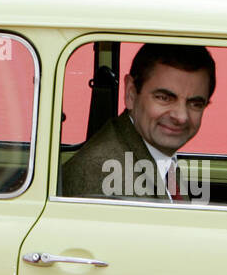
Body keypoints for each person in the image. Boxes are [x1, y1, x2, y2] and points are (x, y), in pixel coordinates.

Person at [61, 43, 215, 200]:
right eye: (164, 98)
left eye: (195, 104)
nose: (181, 116)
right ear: (131, 94)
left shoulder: (159, 155)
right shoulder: (99, 174)